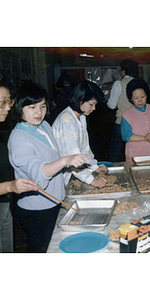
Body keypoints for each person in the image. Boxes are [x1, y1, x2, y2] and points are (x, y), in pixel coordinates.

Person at [8, 82, 88, 252]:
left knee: (53, 246)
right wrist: (65, 161)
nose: (39, 112)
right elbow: (39, 172)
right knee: (40, 250)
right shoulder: (19, 138)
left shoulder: (43, 125)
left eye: (42, 106)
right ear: (19, 107)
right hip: (37, 208)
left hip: (53, 201)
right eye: (32, 107)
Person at [0, 71, 38, 253]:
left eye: (9, 101)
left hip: (3, 204)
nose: (7, 107)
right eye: (2, 102)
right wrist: (10, 186)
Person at [52, 80, 108, 188]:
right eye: (91, 104)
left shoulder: (81, 117)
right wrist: (92, 180)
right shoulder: (66, 120)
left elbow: (84, 149)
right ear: (80, 100)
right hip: (61, 176)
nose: (94, 108)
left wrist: (95, 166)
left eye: (95, 105)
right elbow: (72, 157)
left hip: (73, 173)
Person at [121, 78, 150, 161]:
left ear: (146, 95)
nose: (140, 100)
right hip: (135, 156)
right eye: (136, 98)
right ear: (131, 98)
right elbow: (127, 136)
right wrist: (146, 138)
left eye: (142, 96)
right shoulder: (127, 114)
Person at [107, 59, 139, 162]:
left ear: (124, 71)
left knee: (115, 151)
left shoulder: (118, 84)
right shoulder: (139, 83)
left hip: (121, 121)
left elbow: (111, 105)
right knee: (136, 150)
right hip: (137, 122)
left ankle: (116, 175)